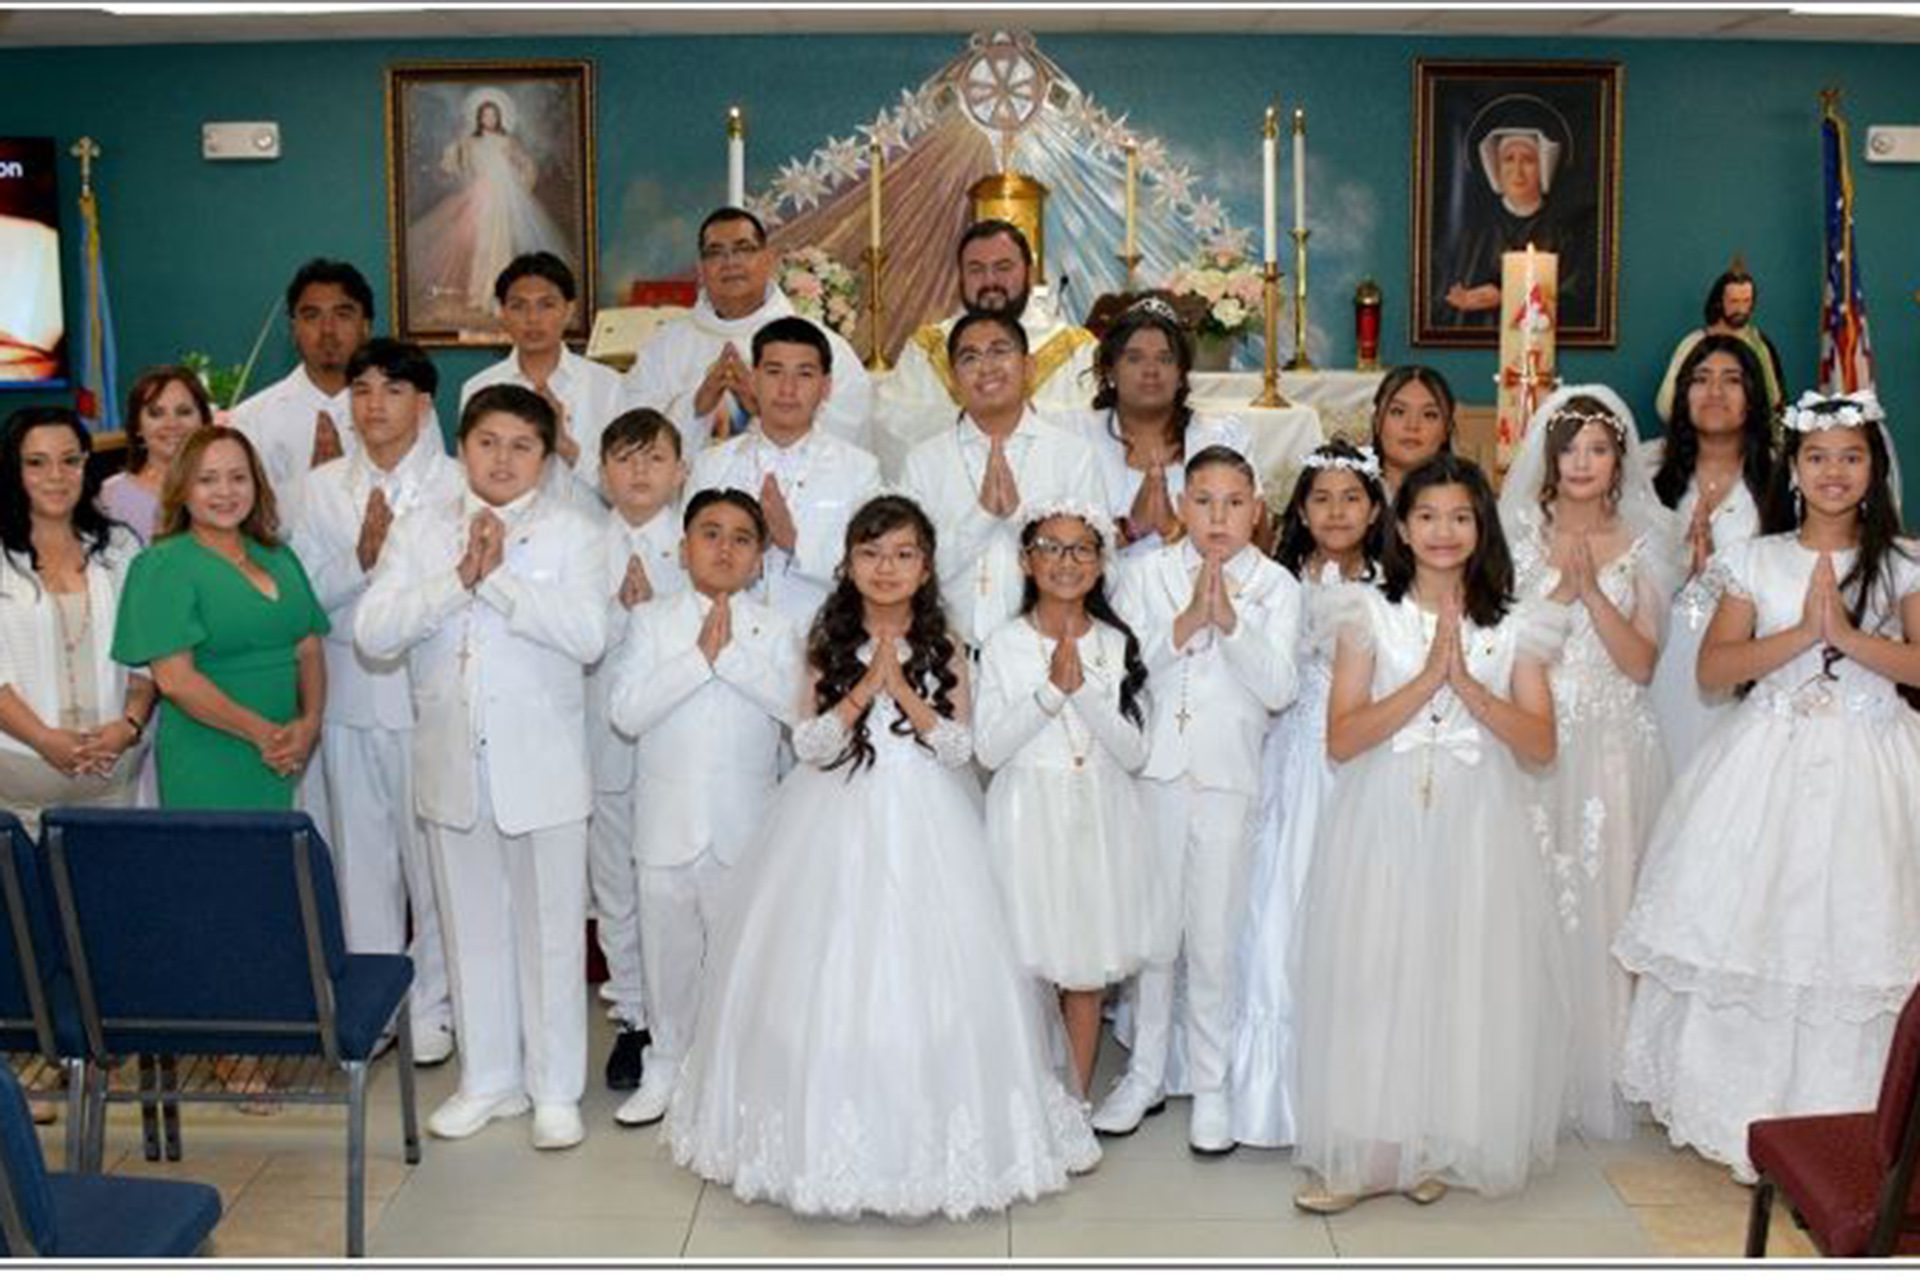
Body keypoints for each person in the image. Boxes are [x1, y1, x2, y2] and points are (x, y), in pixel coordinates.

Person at [662, 494, 1099, 1218]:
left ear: (925, 567)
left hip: (931, 818)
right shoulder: (826, 639)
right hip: (832, 816)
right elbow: (809, 743)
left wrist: (906, 693)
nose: (886, 568)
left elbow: (961, 747)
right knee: (826, 968)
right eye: (871, 553)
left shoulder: (946, 644)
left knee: (940, 974)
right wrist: (867, 687)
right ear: (848, 563)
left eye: (902, 554)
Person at [1616, 389, 1920, 1182]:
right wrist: (1801, 635)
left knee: (1860, 926)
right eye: (1817, 457)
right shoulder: (1756, 559)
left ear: (1874, 469)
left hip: (1875, 763)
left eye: (1850, 457)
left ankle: (1860, 1121)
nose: (1833, 471)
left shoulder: (1902, 562)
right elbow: (1715, 669)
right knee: (1759, 921)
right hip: (1767, 760)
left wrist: (1849, 636)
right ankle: (1749, 1111)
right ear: (1794, 469)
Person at [1291, 454, 1568, 1210]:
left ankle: (1435, 1139)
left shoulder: (1517, 623)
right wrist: (1425, 681)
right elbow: (1343, 737)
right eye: (1426, 516)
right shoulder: (1365, 614)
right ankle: (1367, 1153)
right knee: (1377, 972)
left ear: (1482, 528)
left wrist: (1469, 686)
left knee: (1459, 973)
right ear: (1403, 529)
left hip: (1478, 823)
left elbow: (1541, 744)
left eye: (1460, 517)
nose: (1443, 531)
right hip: (1382, 819)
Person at [355, 384, 607, 1152]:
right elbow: (374, 632)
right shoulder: (421, 529)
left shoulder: (575, 532)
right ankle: (489, 1077)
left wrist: (495, 578)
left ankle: (554, 1089)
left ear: (545, 457)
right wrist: (457, 577)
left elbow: (588, 635)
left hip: (544, 766)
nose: (502, 459)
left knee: (552, 932)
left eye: (522, 445)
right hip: (451, 761)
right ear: (462, 446)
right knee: (470, 930)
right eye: (488, 442)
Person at [1098, 446, 1302, 1154]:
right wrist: (1186, 623)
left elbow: (1280, 687)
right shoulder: (1145, 574)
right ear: (1182, 505)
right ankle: (1145, 1074)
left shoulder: (1276, 585)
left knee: (1213, 937)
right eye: (1205, 501)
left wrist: (1232, 624)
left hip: (1227, 778)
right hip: (1157, 772)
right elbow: (1121, 671)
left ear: (1257, 510)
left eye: (1234, 502)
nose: (1218, 517)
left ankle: (1212, 1085)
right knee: (1156, 935)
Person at [1499, 386, 1678, 1141]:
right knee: (1535, 892)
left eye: (1598, 449)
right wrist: (1553, 596)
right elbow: (1499, 643)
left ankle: (1604, 1068)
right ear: (1547, 458)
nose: (1581, 462)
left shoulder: (1647, 542)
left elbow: (1641, 663)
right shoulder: (1514, 535)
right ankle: (1525, 1066)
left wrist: (1590, 594)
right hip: (1536, 732)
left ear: (1619, 461)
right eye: (1569, 448)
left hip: (1613, 742)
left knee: (1608, 896)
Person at [292, 338, 464, 1070]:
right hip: (349, 697)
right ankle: (378, 1007)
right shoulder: (320, 487)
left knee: (435, 864)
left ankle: (434, 1004)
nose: (374, 405)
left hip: (430, 701)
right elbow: (301, 597)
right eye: (361, 390)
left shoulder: (459, 483)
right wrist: (358, 560)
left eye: (391, 390)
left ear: (423, 404)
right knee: (362, 863)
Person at [606, 488, 802, 1129]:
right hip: (666, 826)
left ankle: (732, 1074)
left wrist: (731, 658)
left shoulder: (777, 629)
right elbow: (627, 713)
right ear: (683, 547)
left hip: (745, 827)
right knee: (667, 956)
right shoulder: (651, 622)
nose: (724, 549)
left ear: (760, 557)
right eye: (710, 534)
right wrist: (697, 660)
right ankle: (665, 1064)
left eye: (742, 538)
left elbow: (798, 713)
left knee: (742, 960)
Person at [974, 500, 1164, 1098]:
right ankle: (1024, 1102)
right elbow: (989, 749)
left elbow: (1134, 752)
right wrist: (1050, 692)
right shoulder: (1002, 645)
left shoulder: (1117, 643)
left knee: (1085, 969)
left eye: (1081, 549)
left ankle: (1075, 1103)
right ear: (1026, 561)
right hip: (1028, 816)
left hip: (1098, 818)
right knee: (1025, 966)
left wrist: (1082, 692)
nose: (1065, 561)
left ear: (1101, 563)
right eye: (1050, 548)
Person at [1228, 439, 1386, 1149]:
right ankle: (1271, 1094)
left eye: (1351, 498)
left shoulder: (1392, 585)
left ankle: (1354, 1080)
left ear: (1376, 509)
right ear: (1299, 510)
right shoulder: (1278, 580)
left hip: (1360, 760)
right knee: (1277, 900)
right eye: (1321, 498)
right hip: (1289, 755)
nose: (1336, 511)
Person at [111, 426, 328, 809]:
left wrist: (309, 723)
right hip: (208, 757)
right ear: (182, 488)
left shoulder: (279, 556)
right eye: (207, 479)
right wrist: (264, 734)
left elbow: (308, 646)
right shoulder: (162, 565)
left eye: (238, 478)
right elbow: (175, 681)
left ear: (256, 484)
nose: (225, 492)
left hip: (283, 755)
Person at [900, 312, 1107, 649]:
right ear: (952, 378)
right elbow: (910, 568)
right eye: (970, 357)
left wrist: (1016, 519)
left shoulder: (1072, 455)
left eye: (999, 351)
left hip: (1045, 649)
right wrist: (981, 517)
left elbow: (1093, 563)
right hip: (945, 650)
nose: (986, 367)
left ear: (1028, 367)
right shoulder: (923, 461)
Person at [586, 408, 688, 1094]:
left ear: (681, 470)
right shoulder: (580, 544)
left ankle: (688, 1014)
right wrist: (617, 613)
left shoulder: (700, 540)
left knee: (677, 883)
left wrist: (654, 613)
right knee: (616, 883)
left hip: (681, 745)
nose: (640, 471)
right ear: (602, 474)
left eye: (654, 457)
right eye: (625, 458)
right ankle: (633, 1015)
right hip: (601, 737)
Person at [0, 408, 153, 833]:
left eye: (70, 460)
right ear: (13, 470)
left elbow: (145, 658)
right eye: (36, 462)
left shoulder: (120, 547)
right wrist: (43, 739)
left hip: (113, 781)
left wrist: (129, 725)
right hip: (17, 786)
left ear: (87, 465)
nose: (56, 476)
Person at [621, 207, 872, 456]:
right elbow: (629, 434)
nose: (730, 263)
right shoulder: (666, 345)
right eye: (715, 253)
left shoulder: (819, 345)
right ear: (701, 269)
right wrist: (695, 406)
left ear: (768, 260)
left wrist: (766, 410)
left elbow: (849, 437)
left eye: (743, 249)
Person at [686, 316, 881, 631]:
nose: (788, 389)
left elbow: (873, 568)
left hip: (824, 639)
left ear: (826, 387)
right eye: (774, 372)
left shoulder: (860, 470)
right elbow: (691, 562)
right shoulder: (711, 465)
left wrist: (793, 542)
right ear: (753, 379)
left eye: (804, 374)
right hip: (729, 639)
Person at [1646, 336, 1774, 772]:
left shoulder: (1782, 477)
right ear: (1683, 395)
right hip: (1658, 655)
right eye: (1701, 379)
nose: (1715, 391)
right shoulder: (1646, 469)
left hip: (1744, 663)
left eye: (1731, 380)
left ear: (1752, 396)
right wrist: (1680, 565)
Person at [879, 219, 1096, 476]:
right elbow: (889, 427)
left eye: (1003, 268)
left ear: (1029, 272)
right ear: (961, 277)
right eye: (976, 269)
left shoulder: (1077, 350)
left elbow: (1096, 429)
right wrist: (970, 422)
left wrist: (1014, 419)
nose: (990, 280)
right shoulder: (927, 349)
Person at [1064, 297, 1252, 557]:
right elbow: (1057, 545)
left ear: (1181, 374)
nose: (1151, 370)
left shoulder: (1221, 437)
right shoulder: (1075, 435)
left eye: (1164, 359)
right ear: (1110, 371)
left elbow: (1256, 541)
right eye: (1134, 358)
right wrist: (1132, 528)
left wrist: (1173, 529)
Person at [460, 252, 620, 510]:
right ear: (502, 312)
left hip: (589, 531)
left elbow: (625, 490)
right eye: (519, 306)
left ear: (569, 310)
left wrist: (566, 447)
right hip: (508, 531)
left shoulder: (608, 386)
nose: (533, 318)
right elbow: (472, 481)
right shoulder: (480, 388)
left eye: (546, 305)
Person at [231, 259, 377, 519]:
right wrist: (309, 492)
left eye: (342, 315)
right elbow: (245, 520)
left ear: (366, 327)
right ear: (293, 329)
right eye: (312, 316)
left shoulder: (407, 412)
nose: (328, 330)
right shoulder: (250, 420)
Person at [407, 93, 571, 323]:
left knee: (502, 243)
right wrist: (462, 169)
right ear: (479, 118)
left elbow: (526, 164)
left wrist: (521, 187)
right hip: (481, 195)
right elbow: (453, 162)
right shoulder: (470, 142)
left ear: (499, 118)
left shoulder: (507, 141)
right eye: (485, 115)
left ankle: (501, 298)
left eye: (493, 115)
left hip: (505, 196)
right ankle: (481, 294)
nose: (489, 119)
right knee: (482, 245)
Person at [1436, 105, 1596, 331]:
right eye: (1508, 159)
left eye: (1528, 160)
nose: (1517, 171)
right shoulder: (1474, 233)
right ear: (1495, 167)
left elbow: (1576, 300)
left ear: (1544, 166)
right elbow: (1444, 303)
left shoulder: (1565, 232)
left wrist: (1505, 297)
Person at [1652, 267, 1787, 426]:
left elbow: (1774, 400)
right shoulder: (1693, 344)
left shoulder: (1760, 345)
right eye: (1734, 301)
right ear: (1719, 302)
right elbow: (1666, 406)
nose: (1741, 309)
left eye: (1746, 301)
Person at [100, 366, 214, 542]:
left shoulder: (227, 489)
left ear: (204, 421)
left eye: (184, 412)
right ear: (137, 426)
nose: (172, 424)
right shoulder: (111, 495)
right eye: (156, 414)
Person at [1369, 365, 1457, 498]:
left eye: (1429, 415)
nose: (1412, 425)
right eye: (1398, 412)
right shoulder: (1353, 494)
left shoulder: (1464, 498)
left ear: (1447, 428)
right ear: (1376, 421)